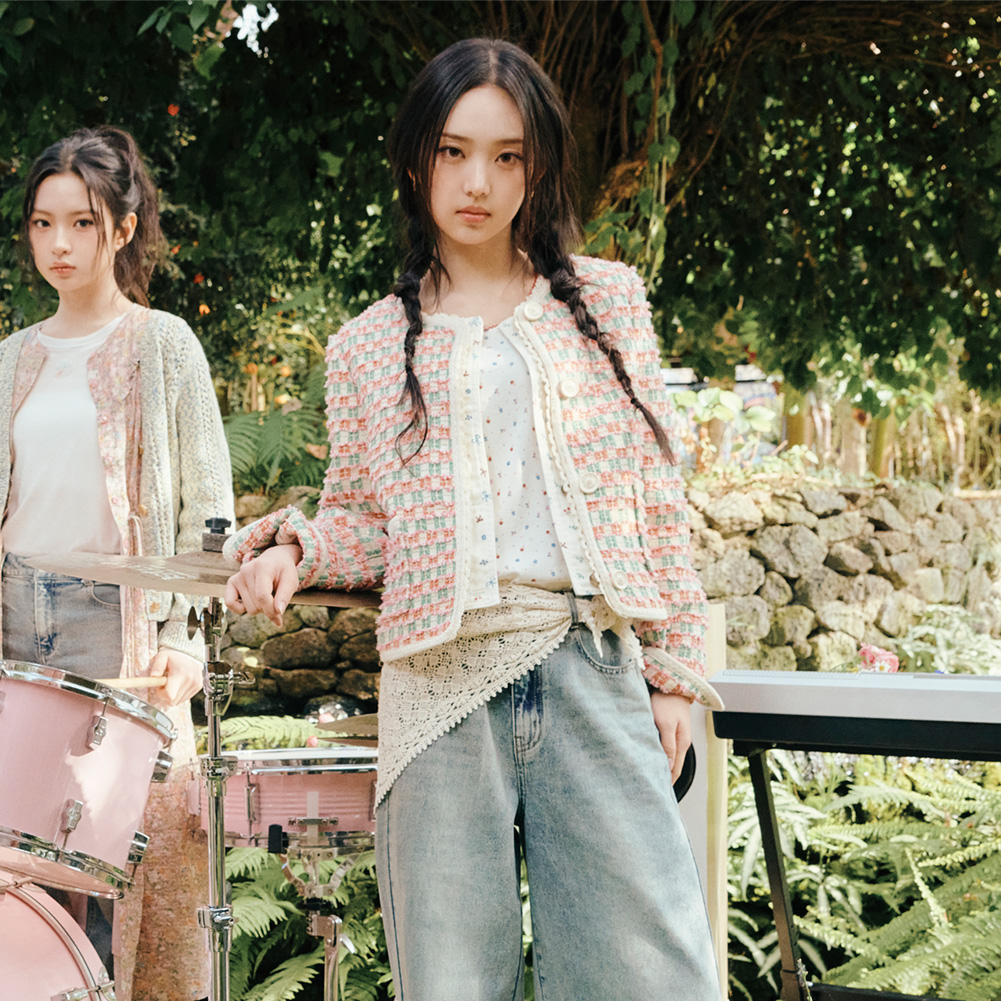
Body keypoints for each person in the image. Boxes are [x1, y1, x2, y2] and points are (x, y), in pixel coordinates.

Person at [224, 38, 722, 1001]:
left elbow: (655, 500)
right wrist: (298, 546)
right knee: (450, 980)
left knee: (648, 974)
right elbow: (366, 518)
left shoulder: (606, 303)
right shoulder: (368, 345)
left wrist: (671, 673)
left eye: (505, 155)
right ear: (417, 160)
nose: (477, 182)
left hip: (587, 662)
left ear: (538, 168)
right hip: (440, 689)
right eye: (453, 151)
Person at [1, 125, 233, 1001]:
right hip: (16, 620)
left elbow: (210, 512)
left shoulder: (164, 344)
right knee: (17, 884)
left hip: (120, 625)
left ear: (123, 229)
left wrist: (184, 635)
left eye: (82, 223)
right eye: (43, 223)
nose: (59, 244)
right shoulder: (10, 358)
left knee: (111, 881)